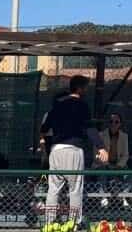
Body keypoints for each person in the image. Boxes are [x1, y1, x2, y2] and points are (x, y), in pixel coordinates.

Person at [40, 76, 107, 224]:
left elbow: (44, 129)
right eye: (85, 88)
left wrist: (50, 144)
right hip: (73, 149)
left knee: (53, 189)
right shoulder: (82, 105)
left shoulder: (57, 106)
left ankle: (49, 223)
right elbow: (89, 128)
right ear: (80, 88)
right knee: (75, 189)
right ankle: (73, 224)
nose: (87, 91)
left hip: (56, 150)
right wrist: (101, 147)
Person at [95, 112, 131, 208]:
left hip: (118, 165)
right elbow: (96, 155)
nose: (113, 124)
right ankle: (103, 198)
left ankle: (123, 197)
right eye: (111, 122)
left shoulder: (124, 136)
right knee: (102, 172)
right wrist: (107, 164)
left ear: (120, 124)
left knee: (130, 174)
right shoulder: (100, 135)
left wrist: (119, 165)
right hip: (104, 165)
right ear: (108, 123)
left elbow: (125, 155)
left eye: (116, 122)